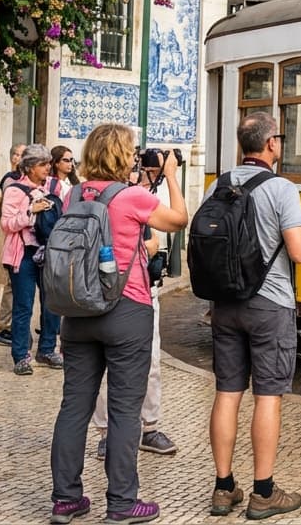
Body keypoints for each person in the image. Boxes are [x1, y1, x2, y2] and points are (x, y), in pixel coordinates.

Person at [48, 124, 187, 525]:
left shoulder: (74, 193)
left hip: (77, 312)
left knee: (74, 405)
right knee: (126, 411)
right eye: (130, 152)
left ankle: (66, 499)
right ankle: (123, 503)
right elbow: (178, 220)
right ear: (122, 156)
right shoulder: (132, 196)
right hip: (126, 310)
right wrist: (172, 176)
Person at [208, 112, 301, 520]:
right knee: (267, 396)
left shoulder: (217, 184)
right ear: (271, 143)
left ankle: (223, 489)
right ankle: (263, 492)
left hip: (225, 303)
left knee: (227, 393)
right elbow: (298, 252)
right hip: (270, 305)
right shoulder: (281, 188)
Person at [92, 164, 177, 461]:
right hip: (113, 294)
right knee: (107, 371)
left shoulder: (138, 197)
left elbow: (155, 239)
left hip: (141, 290)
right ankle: (107, 434)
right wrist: (173, 177)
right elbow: (174, 223)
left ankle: (149, 427)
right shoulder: (99, 197)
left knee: (151, 363)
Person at [0, 143, 62, 375]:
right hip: (23, 254)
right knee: (23, 306)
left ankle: (47, 349)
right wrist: (30, 211)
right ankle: (21, 355)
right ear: (30, 167)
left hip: (48, 251)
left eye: (48, 163)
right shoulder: (15, 190)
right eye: (42, 164)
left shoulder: (54, 188)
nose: (47, 168)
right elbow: (7, 224)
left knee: (52, 303)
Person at [0, 142, 25, 346]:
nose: (20, 158)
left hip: (14, 235)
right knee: (4, 282)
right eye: (17, 154)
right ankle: (1, 325)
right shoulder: (10, 181)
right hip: (7, 234)